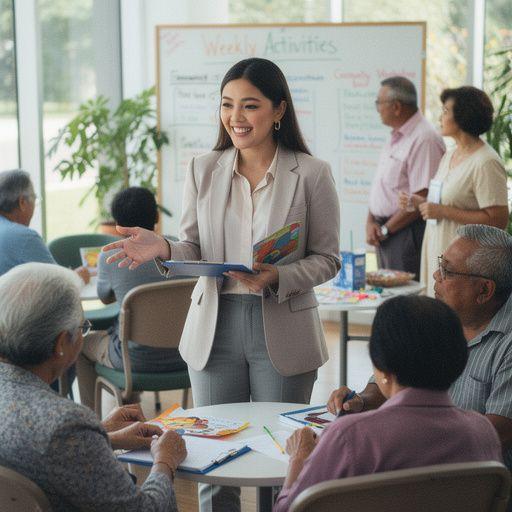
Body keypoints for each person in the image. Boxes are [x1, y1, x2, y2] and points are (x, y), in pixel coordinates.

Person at [104, 57, 340, 511]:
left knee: (282, 457)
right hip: (214, 326)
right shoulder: (203, 168)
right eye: (227, 105)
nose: (235, 117)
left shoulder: (311, 173)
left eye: (249, 105)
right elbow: (193, 247)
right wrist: (165, 249)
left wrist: (280, 275)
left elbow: (327, 259)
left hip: (283, 323)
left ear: (278, 111)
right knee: (213, 460)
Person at [274, 294, 502, 512]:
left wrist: (300, 457)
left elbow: (288, 509)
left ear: (382, 370)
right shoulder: (482, 432)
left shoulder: (349, 435)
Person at [0, 262, 186, 512]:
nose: (82, 333)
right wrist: (166, 460)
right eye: (81, 328)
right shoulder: (66, 424)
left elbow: (32, 450)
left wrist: (100, 435)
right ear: (61, 344)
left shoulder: (63, 428)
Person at [328, 225, 512, 469]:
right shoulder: (432, 319)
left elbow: (496, 432)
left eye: (448, 271)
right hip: (414, 466)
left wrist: (401, 437)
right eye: (440, 263)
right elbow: (390, 379)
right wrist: (362, 401)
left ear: (484, 290)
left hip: (473, 485)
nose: (436, 275)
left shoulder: (507, 342)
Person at [76, 187, 187, 410]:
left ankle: (93, 420)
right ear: (156, 216)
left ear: (118, 225)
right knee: (123, 334)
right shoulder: (178, 249)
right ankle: (130, 408)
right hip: (184, 358)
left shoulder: (110, 256)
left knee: (80, 344)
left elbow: (105, 298)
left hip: (134, 362)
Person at [399, 86, 508, 297]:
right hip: (437, 248)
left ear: (463, 116)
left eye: (446, 111)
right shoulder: (450, 155)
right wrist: (419, 201)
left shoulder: (486, 161)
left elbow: (498, 220)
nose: (441, 117)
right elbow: (445, 201)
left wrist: (442, 212)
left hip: (463, 264)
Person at [367, 77, 445, 277]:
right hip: (385, 232)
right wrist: (371, 221)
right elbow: (382, 186)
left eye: (379, 103)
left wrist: (385, 230)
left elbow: (422, 197)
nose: (377, 108)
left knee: (404, 302)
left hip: (405, 233)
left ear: (396, 107)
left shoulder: (424, 138)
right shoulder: (397, 135)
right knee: (388, 301)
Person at [0, 169, 90, 282]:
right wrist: (79, 276)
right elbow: (60, 284)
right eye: (34, 198)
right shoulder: (23, 237)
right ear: (22, 202)